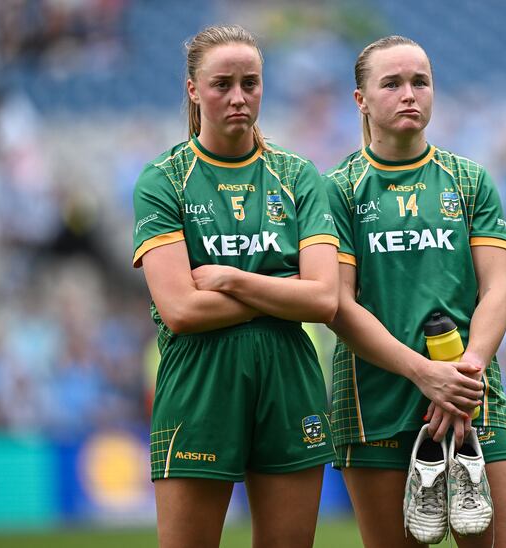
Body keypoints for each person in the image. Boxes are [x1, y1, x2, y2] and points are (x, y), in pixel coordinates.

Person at [132, 25, 339, 548]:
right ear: (193, 90)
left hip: (290, 379)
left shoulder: (298, 176)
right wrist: (277, 291)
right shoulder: (163, 180)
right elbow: (180, 309)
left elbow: (323, 299)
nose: (239, 97)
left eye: (251, 82)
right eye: (222, 83)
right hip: (199, 381)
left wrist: (231, 280)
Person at [326, 35, 506, 547]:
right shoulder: (338, 189)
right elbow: (338, 306)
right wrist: (424, 375)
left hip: (470, 393)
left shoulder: (469, 180)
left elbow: (498, 290)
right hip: (373, 400)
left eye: (420, 81)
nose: (409, 94)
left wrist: (464, 373)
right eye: (391, 83)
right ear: (361, 100)